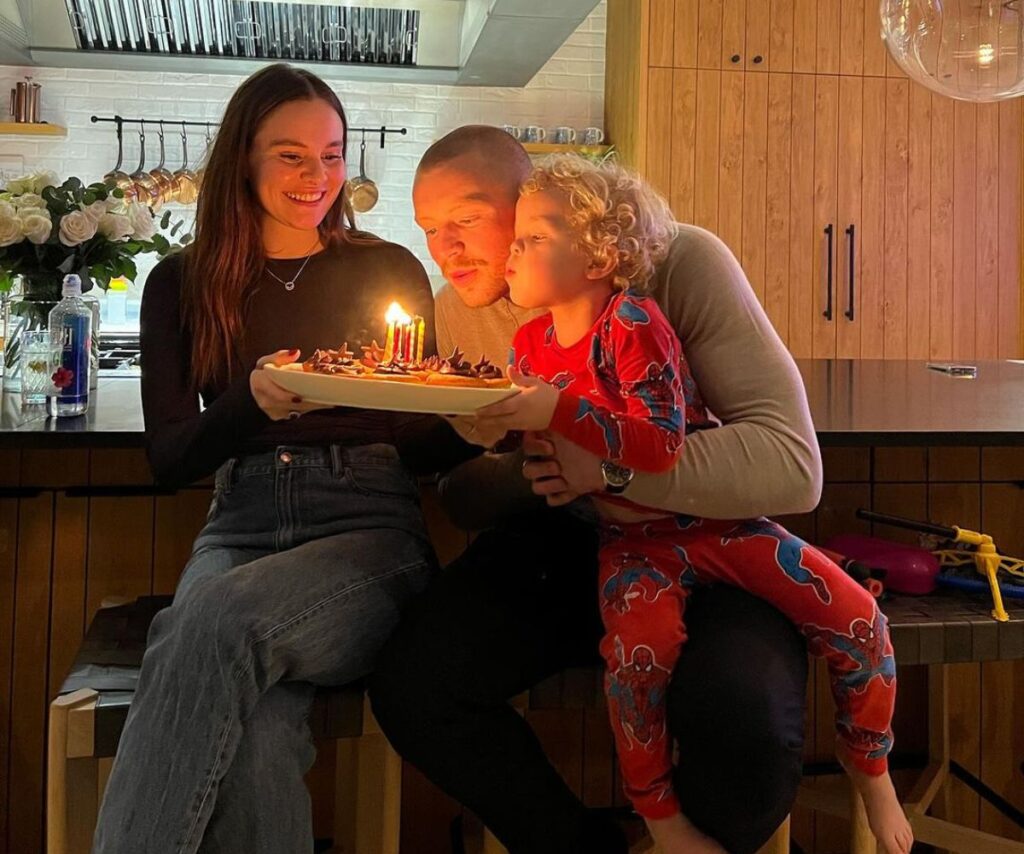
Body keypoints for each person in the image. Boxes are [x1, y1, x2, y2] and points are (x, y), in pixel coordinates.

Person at [369, 125, 822, 854]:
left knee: (750, 721)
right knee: (417, 685)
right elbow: (464, 494)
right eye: (428, 229)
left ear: (532, 204)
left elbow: (792, 464)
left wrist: (608, 466)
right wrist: (523, 462)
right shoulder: (457, 310)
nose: (444, 250)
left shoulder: (675, 263)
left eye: (465, 219)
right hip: (568, 543)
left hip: (708, 540)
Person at [461, 155, 912, 854]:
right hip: (634, 547)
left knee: (858, 618)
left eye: (532, 239)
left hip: (723, 528)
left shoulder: (635, 323)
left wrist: (564, 419)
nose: (509, 256)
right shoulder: (530, 344)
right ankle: (660, 817)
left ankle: (870, 762)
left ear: (600, 252)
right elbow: (542, 444)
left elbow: (661, 442)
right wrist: (506, 430)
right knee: (637, 662)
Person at [93, 64, 468, 854]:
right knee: (256, 728)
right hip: (239, 528)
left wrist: (480, 425)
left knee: (208, 623)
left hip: (369, 533)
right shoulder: (181, 283)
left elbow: (420, 439)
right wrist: (250, 402)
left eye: (332, 154)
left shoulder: (388, 269)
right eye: (291, 155)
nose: (318, 177)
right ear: (244, 159)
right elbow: (168, 458)